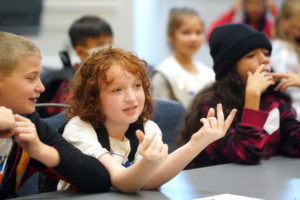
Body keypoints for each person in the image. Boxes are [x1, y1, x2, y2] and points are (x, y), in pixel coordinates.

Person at [57, 48, 236, 192]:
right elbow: (122, 182)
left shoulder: (147, 128)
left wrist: (196, 144)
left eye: (137, 86)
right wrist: (148, 163)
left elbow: (148, 181)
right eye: (117, 90)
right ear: (92, 98)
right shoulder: (79, 129)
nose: (131, 98)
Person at [0, 32, 111, 198]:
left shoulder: (27, 122)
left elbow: (99, 179)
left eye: (39, 76)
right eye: (31, 78)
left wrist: (41, 151)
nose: (42, 88)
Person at [175, 23, 300, 169]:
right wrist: (252, 100)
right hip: (220, 187)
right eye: (251, 55)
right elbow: (246, 154)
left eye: (266, 53)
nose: (264, 60)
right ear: (231, 66)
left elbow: (296, 145)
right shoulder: (213, 106)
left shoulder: (273, 99)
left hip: (262, 184)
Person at [47, 15, 113, 115]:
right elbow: (67, 118)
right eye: (100, 45)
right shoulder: (72, 83)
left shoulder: (110, 73)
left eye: (110, 43)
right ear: (81, 52)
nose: (108, 49)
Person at [152, 7, 215, 108]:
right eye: (186, 32)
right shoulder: (164, 74)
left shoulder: (208, 73)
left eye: (198, 32)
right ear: (171, 36)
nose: (193, 38)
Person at [270, 0, 300, 120]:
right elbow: (287, 91)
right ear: (284, 24)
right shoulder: (282, 52)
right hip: (293, 115)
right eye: (298, 27)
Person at [206, 0, 277, 40]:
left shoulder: (270, 27)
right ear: (243, 5)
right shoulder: (237, 26)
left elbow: (284, 32)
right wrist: (231, 11)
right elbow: (211, 35)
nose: (254, 8)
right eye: (250, 3)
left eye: (258, 4)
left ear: (266, 5)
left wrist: (274, 10)